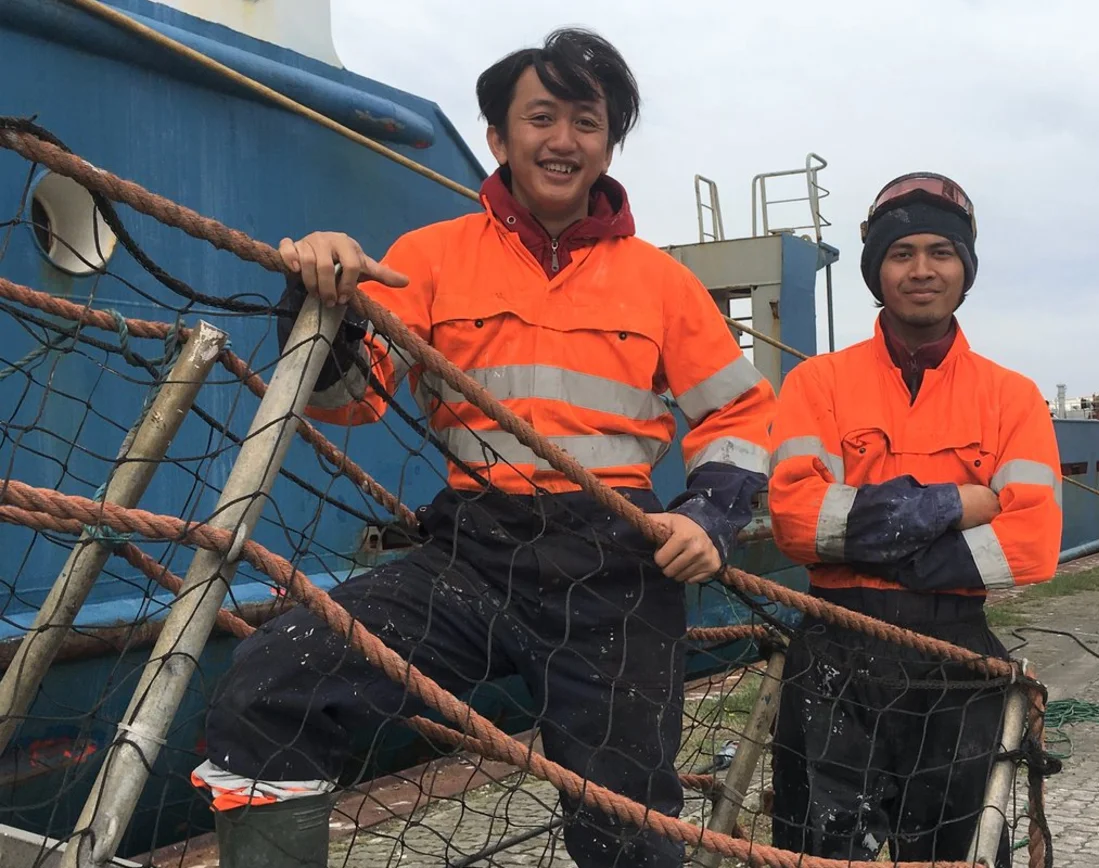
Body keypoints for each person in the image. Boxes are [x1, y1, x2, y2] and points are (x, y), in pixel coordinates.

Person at [192, 29, 775, 867]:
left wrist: (710, 514)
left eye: (587, 121)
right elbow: (351, 401)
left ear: (609, 146)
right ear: (499, 138)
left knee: (630, 827)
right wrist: (322, 303)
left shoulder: (663, 283)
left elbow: (741, 412)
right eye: (541, 117)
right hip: (472, 555)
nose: (563, 140)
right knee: (268, 685)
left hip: (618, 570)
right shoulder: (427, 259)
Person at [766, 172, 1062, 864]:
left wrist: (875, 546)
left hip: (957, 662)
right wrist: (957, 503)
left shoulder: (1012, 398)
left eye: (940, 252)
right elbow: (797, 522)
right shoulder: (816, 385)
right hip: (834, 656)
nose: (921, 270)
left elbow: (1033, 542)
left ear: (965, 269)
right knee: (818, 850)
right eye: (901, 254)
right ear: (877, 270)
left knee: (956, 852)